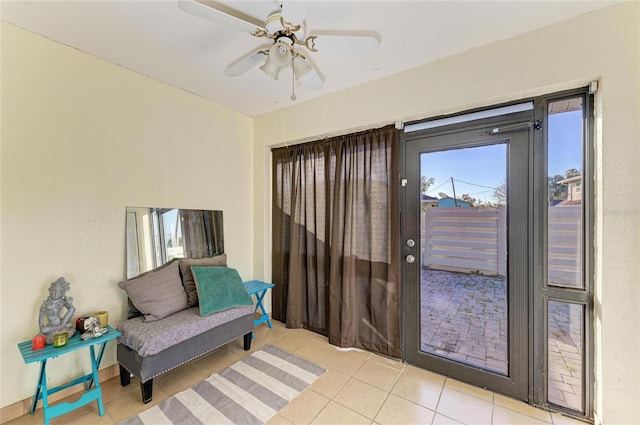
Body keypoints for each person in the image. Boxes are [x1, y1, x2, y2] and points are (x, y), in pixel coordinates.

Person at [39, 277, 77, 344]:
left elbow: (71, 309)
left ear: (62, 293)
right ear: (50, 291)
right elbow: (41, 316)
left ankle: (63, 325)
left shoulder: (62, 301)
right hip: (51, 325)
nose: (55, 293)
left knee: (72, 309)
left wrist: (70, 303)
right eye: (53, 290)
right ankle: (62, 327)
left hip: (61, 322)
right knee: (44, 330)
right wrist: (41, 329)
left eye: (58, 292)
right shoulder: (46, 303)